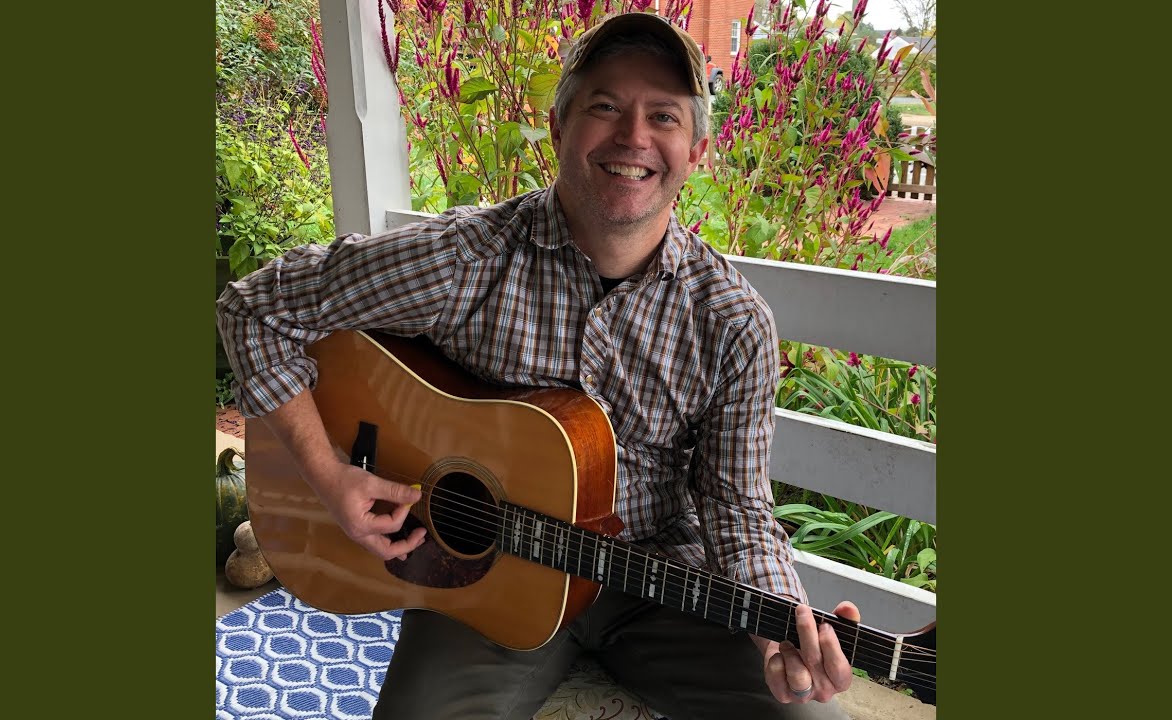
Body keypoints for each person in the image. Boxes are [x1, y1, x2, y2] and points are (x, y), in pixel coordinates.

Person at [217, 12, 859, 720]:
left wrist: (780, 623)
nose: (633, 137)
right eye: (605, 106)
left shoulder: (733, 322)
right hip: (487, 579)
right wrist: (328, 472)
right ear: (557, 127)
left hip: (659, 586)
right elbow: (254, 307)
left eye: (664, 116)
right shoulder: (466, 259)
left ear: (697, 150)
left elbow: (737, 507)